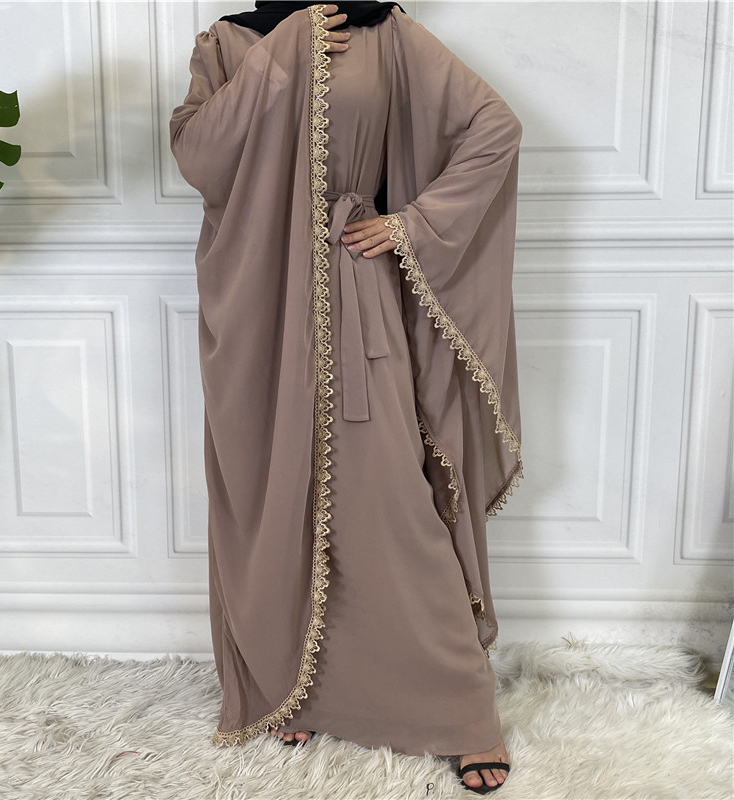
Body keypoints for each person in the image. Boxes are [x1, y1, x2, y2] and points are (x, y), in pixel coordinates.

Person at [169, 1, 523, 793]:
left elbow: (495, 129)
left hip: (351, 292)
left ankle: (462, 709)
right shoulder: (231, 42)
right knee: (274, 500)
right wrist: (284, 51)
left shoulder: (386, 34)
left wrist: (414, 224)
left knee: (392, 500)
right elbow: (198, 156)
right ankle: (295, 686)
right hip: (254, 300)